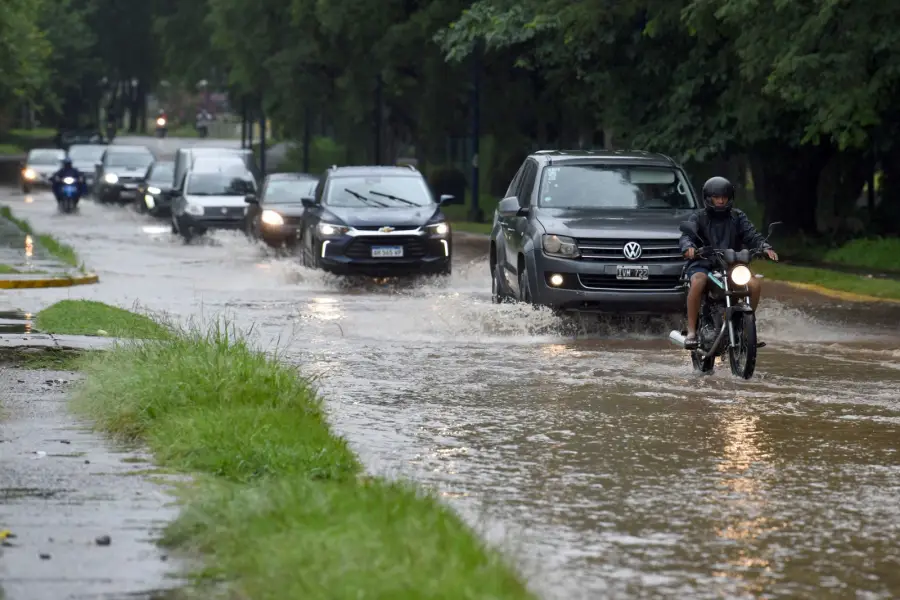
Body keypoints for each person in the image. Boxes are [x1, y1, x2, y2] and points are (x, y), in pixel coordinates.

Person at [679, 176, 779, 348]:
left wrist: (764, 246)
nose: (720, 201)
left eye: (724, 197)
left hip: (731, 263)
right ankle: (692, 331)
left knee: (753, 285)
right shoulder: (699, 217)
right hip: (703, 262)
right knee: (698, 281)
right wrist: (689, 247)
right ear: (708, 198)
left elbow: (751, 234)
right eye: (716, 197)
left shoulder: (738, 216)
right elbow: (686, 236)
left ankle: (747, 328)